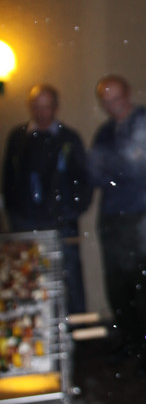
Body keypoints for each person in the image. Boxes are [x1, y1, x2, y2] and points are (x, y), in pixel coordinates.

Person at [88, 74, 146, 374]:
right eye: (106, 101)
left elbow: (144, 172)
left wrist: (114, 167)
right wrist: (123, 163)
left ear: (129, 93)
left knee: (144, 289)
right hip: (111, 218)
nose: (113, 106)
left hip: (142, 219)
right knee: (117, 288)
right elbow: (94, 175)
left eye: (117, 98)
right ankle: (130, 340)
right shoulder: (105, 131)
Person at [2, 83, 91, 313]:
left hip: (62, 225)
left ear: (56, 107)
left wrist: (72, 211)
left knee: (71, 283)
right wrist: (14, 216)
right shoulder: (17, 137)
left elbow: (84, 179)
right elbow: (8, 181)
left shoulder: (69, 137)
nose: (41, 113)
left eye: (46, 107)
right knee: (29, 282)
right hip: (25, 225)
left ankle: (79, 333)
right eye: (36, 107)